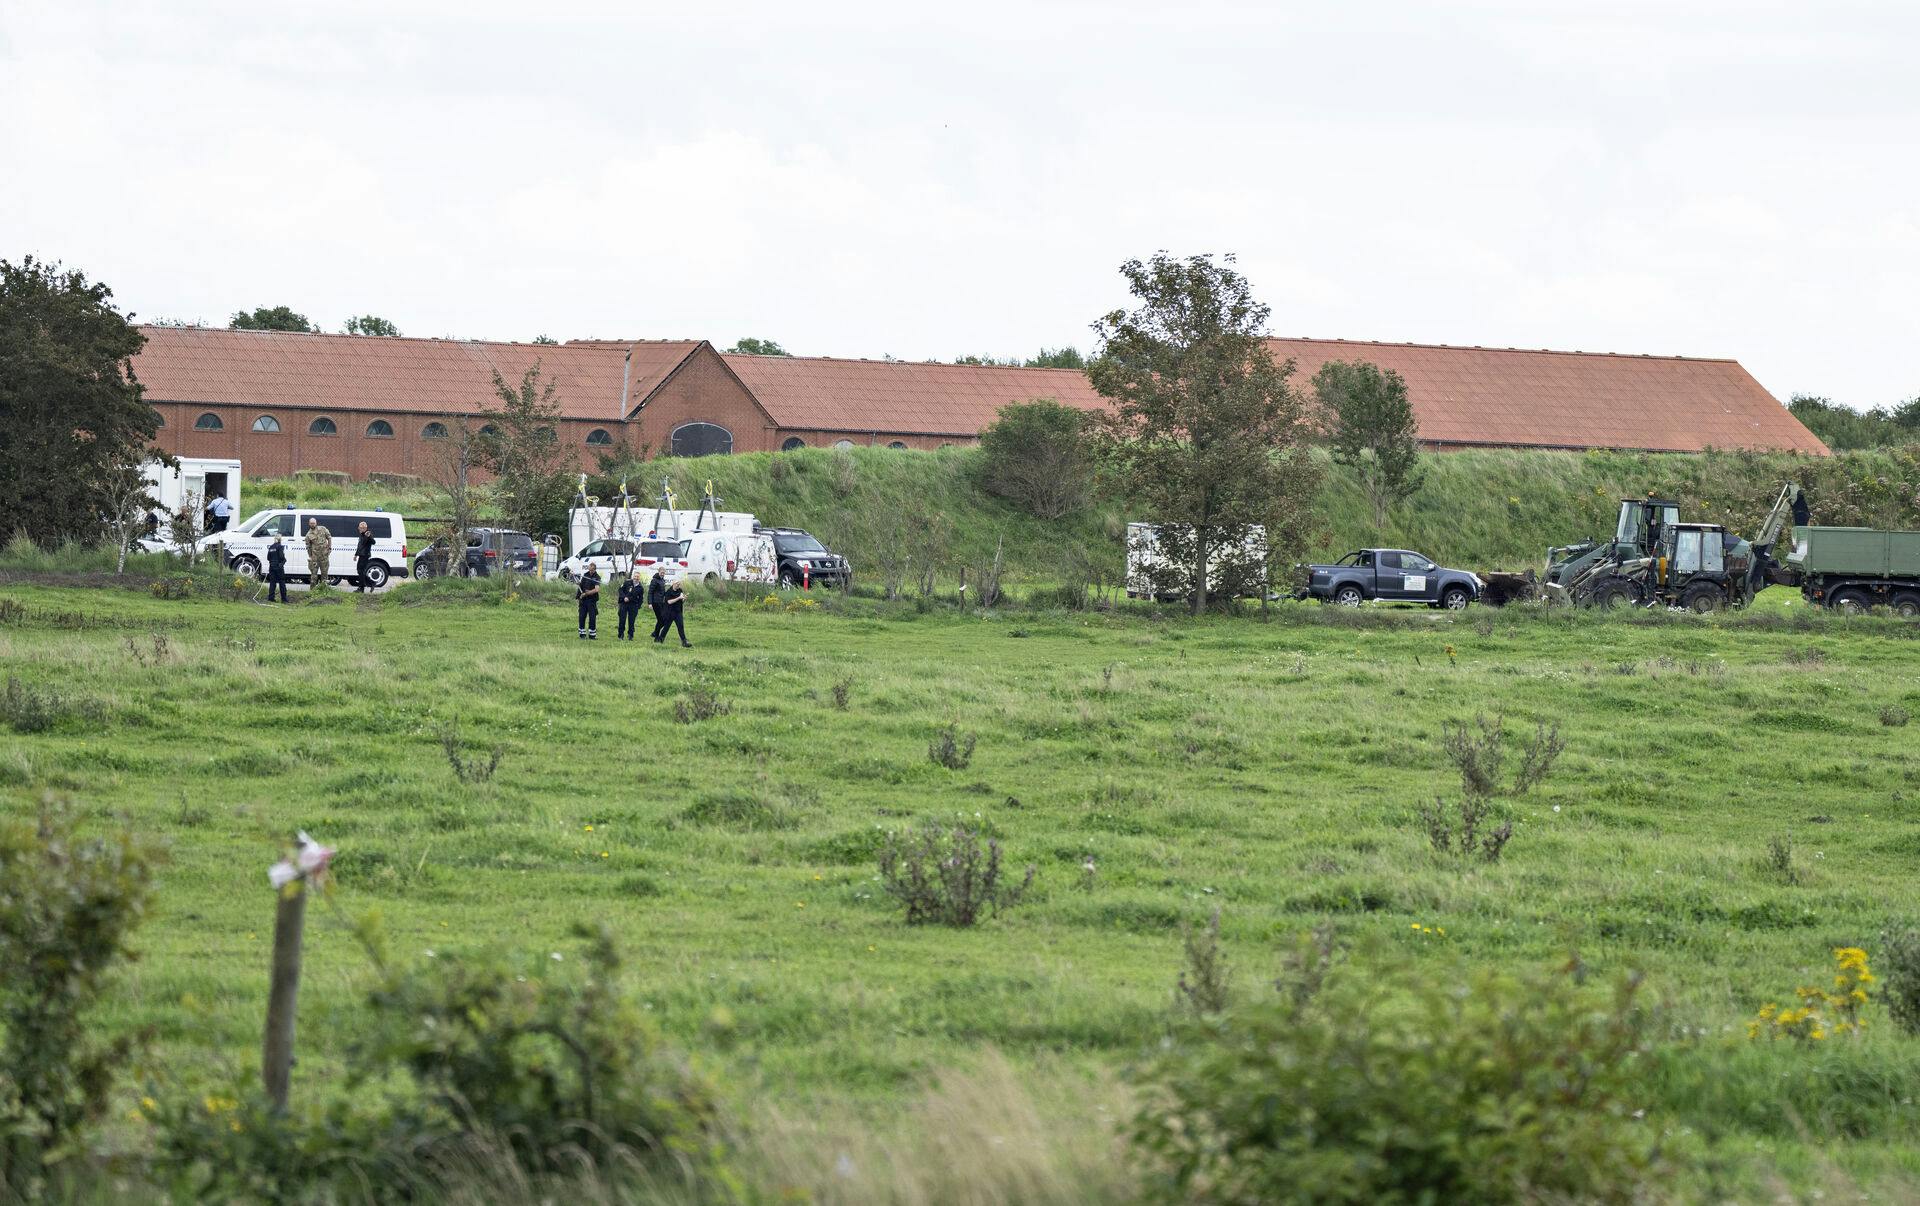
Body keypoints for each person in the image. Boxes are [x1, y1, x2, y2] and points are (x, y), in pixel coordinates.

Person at [658, 577, 691, 647]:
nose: (678, 585)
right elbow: (669, 602)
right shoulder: (668, 592)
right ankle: (660, 640)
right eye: (677, 584)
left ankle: (684, 642)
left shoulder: (680, 590)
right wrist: (679, 598)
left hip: (678, 612)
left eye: (679, 584)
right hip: (669, 612)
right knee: (666, 627)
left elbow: (681, 601)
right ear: (673, 584)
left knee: (680, 626)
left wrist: (684, 599)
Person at [615, 572, 644, 640]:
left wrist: (638, 606)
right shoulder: (627, 582)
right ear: (633, 576)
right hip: (624, 604)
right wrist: (624, 597)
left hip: (633, 605)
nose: (636, 578)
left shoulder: (640, 588)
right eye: (635, 576)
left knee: (631, 621)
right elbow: (620, 590)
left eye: (637, 577)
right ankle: (620, 635)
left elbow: (641, 598)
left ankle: (630, 635)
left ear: (639, 578)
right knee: (622, 620)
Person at [304, 518, 332, 587]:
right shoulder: (308, 535)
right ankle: (313, 591)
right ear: (309, 524)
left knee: (324, 574)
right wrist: (310, 556)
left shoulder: (323, 529)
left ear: (316, 523)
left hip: (324, 556)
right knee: (314, 575)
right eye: (311, 523)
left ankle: (324, 590)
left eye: (314, 523)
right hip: (315, 557)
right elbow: (308, 547)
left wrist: (329, 547)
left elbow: (329, 537)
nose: (312, 524)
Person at [576, 564, 601, 639]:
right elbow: (581, 585)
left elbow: (597, 589)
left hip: (592, 600)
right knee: (582, 616)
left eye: (591, 570)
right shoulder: (585, 575)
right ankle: (582, 634)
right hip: (583, 600)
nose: (590, 571)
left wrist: (586, 593)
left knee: (592, 617)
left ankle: (592, 635)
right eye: (589, 569)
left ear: (594, 569)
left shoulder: (597, 577)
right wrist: (579, 585)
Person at [646, 567, 669, 642]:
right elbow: (650, 592)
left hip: (661, 603)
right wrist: (650, 603)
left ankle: (655, 633)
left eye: (664, 572)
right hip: (655, 603)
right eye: (661, 572)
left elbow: (663, 592)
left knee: (664, 620)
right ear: (658, 572)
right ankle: (656, 635)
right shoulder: (654, 580)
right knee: (661, 620)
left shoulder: (662, 580)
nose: (662, 573)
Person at [265, 535, 290, 603]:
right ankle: (284, 599)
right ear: (280, 540)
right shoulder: (280, 546)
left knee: (272, 583)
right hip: (279, 567)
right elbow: (281, 557)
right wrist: (284, 560)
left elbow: (268, 558)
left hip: (272, 567)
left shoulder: (271, 547)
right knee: (282, 582)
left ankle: (271, 598)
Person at [353, 521, 375, 592]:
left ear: (364, 528)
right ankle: (370, 583)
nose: (358, 528)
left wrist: (369, 537)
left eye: (360, 527)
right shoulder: (362, 534)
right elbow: (360, 546)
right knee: (360, 571)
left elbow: (373, 542)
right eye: (359, 527)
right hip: (361, 555)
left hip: (365, 555)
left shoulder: (367, 533)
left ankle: (362, 588)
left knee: (361, 571)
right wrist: (356, 555)